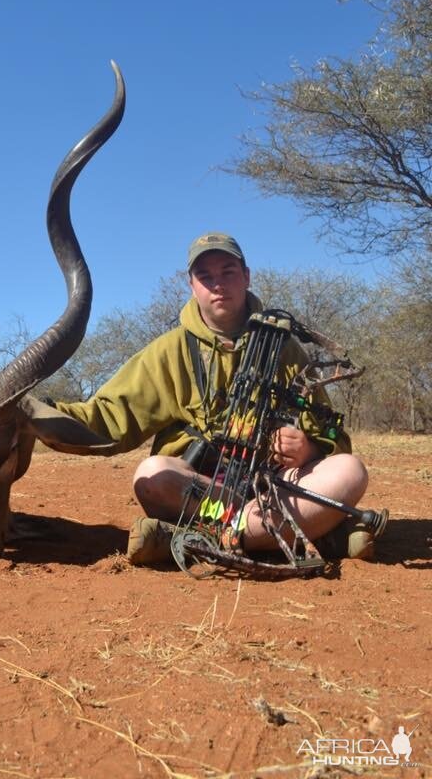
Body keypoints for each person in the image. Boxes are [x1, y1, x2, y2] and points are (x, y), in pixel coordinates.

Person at [56, 232, 374, 567]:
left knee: (350, 472)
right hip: (202, 492)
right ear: (191, 284)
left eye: (228, 272)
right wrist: (36, 415)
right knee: (152, 475)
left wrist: (308, 448)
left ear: (246, 276)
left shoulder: (286, 349)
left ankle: (195, 540)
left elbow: (333, 436)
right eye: (205, 276)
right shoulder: (170, 350)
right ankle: (312, 536)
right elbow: (107, 416)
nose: (217, 284)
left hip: (272, 490)